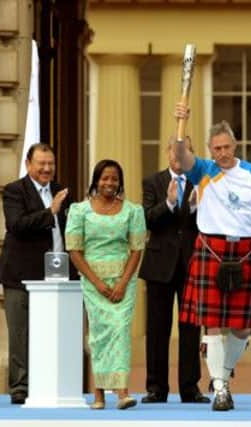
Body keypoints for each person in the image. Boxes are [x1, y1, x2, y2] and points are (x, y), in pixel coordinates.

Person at [173, 110, 251, 411]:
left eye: (227, 147)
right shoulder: (204, 170)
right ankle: (221, 389)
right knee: (212, 323)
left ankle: (221, 372)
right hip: (211, 249)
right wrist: (180, 125)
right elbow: (181, 157)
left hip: (245, 252)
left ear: (235, 146)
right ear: (211, 149)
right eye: (217, 148)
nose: (222, 153)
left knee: (242, 327)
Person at [0, 143, 71, 404]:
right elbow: (17, 225)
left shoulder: (61, 191)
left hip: (56, 275)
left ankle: (46, 384)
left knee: (50, 333)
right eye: (42, 164)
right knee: (20, 333)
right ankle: (20, 386)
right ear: (29, 165)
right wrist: (49, 212)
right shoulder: (15, 190)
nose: (47, 169)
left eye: (51, 163)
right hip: (20, 275)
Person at [65, 159, 146, 410]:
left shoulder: (133, 211)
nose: (109, 183)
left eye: (114, 179)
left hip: (123, 282)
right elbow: (74, 250)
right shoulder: (80, 211)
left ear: (120, 182)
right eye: (104, 178)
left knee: (120, 333)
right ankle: (98, 395)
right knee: (99, 336)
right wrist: (97, 283)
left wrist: (122, 282)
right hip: (93, 282)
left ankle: (122, 393)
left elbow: (136, 249)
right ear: (96, 181)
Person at [139, 136, 209, 404]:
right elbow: (147, 219)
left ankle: (190, 388)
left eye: (186, 152)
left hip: (192, 264)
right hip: (159, 266)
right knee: (157, 329)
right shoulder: (152, 182)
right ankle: (156, 388)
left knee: (191, 328)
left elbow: (210, 222)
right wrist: (168, 204)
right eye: (175, 152)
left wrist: (193, 207)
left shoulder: (201, 182)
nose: (179, 157)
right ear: (168, 153)